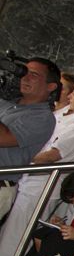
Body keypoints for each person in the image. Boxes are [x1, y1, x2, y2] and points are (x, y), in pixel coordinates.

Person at [0, 75, 74, 256]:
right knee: (10, 234)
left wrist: (20, 158)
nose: (70, 95)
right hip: (32, 184)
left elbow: (51, 156)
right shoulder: (73, 121)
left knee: (15, 239)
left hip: (40, 189)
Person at [0, 57, 60, 220]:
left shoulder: (43, 118)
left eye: (33, 75)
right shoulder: (7, 103)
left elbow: (4, 138)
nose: (25, 78)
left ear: (51, 86)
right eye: (24, 72)